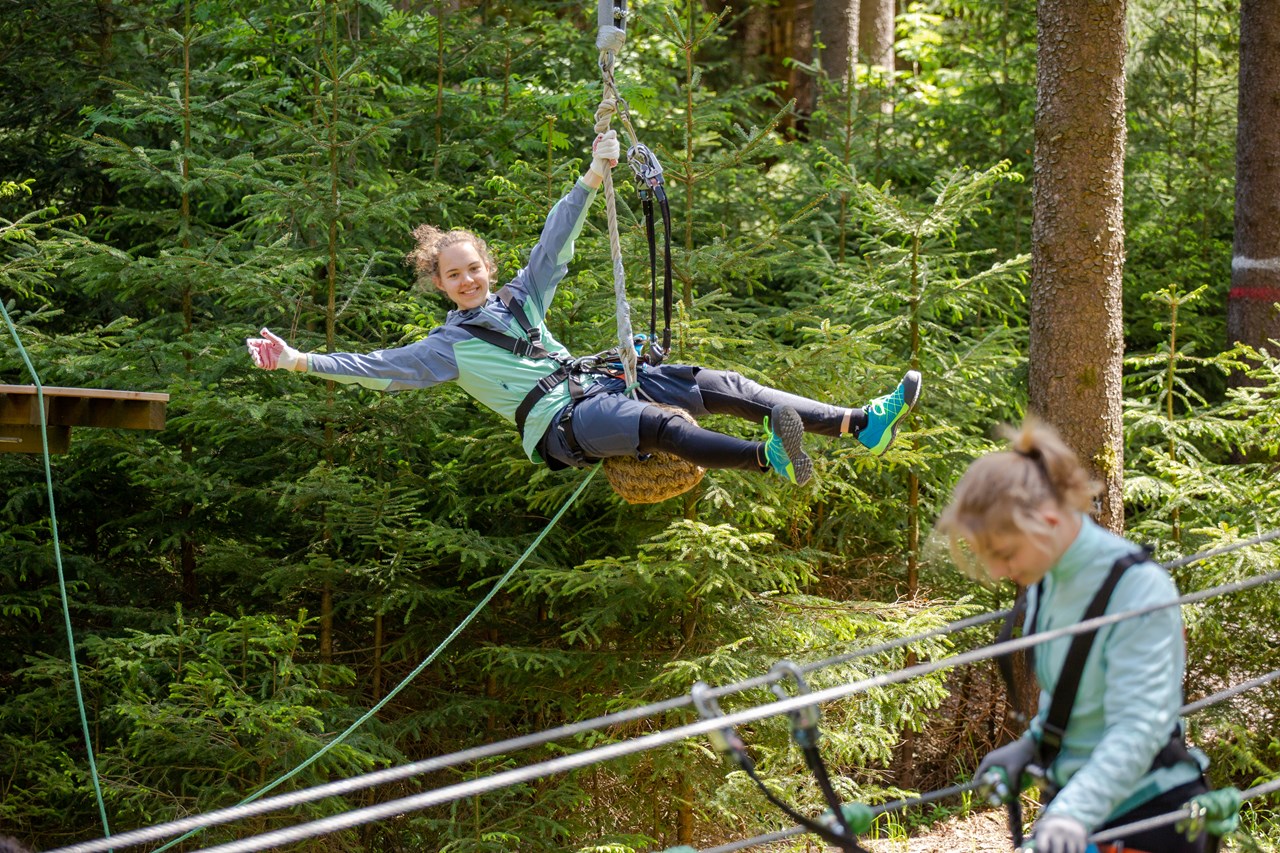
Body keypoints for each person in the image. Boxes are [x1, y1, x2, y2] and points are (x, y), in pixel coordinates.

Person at [247, 128, 921, 488]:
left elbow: (554, 241)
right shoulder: (446, 348)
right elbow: (378, 366)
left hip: (600, 379)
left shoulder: (522, 298)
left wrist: (594, 176)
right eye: (454, 275)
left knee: (719, 384)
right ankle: (767, 458)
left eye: (474, 268)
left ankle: (858, 423)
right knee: (660, 424)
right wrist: (300, 360)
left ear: (487, 267)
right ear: (441, 284)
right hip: (562, 422)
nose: (468, 280)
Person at [935, 419, 1211, 853]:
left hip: (1148, 817)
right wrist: (1031, 746)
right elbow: (1071, 695)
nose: (998, 571)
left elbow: (1140, 728)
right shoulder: (1048, 579)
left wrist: (1072, 813)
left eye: (1005, 554)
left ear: (1047, 521)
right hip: (1077, 809)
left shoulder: (1140, 589)